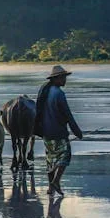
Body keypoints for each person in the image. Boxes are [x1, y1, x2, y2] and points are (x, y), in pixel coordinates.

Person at [34, 65, 83, 197]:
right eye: (62, 78)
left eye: (64, 77)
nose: (64, 80)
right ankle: (55, 181)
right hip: (58, 131)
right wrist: (77, 131)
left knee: (50, 159)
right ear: (56, 79)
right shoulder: (59, 94)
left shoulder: (45, 90)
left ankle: (51, 188)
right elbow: (67, 114)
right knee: (65, 156)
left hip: (45, 131)